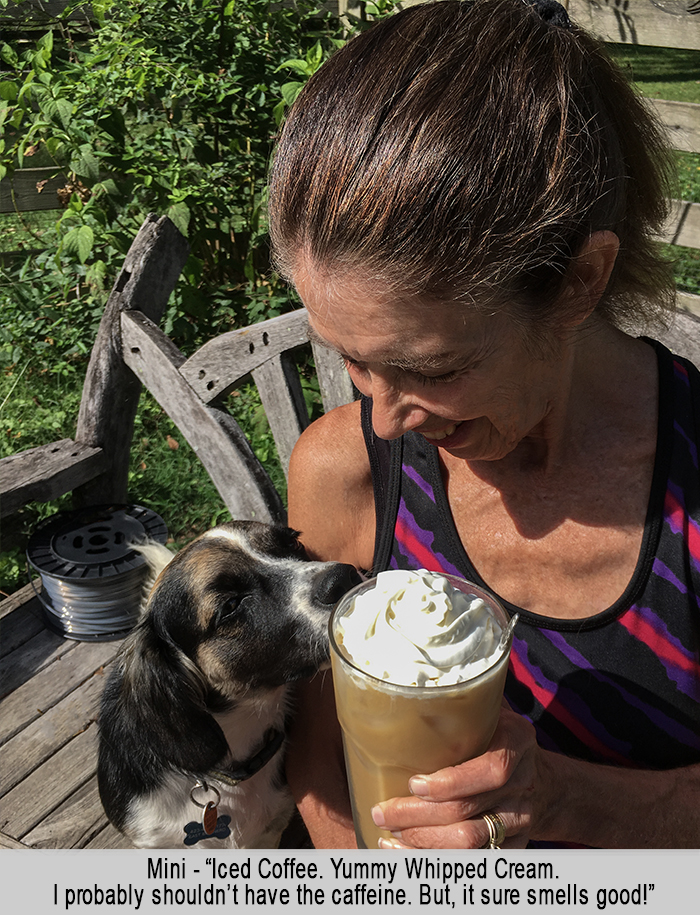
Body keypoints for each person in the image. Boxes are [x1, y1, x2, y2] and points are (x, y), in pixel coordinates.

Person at [266, 0, 700, 848]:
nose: (383, 421)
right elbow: (319, 750)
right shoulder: (344, 474)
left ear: (580, 282)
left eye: (432, 369)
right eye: (351, 358)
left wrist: (572, 801)